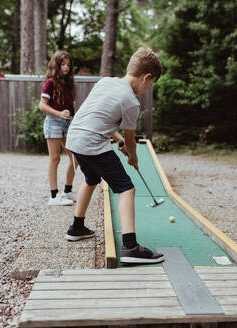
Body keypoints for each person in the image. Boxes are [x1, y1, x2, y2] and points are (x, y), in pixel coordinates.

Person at [65, 47, 164, 264]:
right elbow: (131, 140)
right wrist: (133, 157)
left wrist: (118, 140)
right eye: (150, 84)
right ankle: (130, 248)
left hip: (74, 139)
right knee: (126, 188)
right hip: (91, 142)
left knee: (91, 180)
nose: (148, 88)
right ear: (146, 77)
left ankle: (77, 227)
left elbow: (100, 117)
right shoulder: (131, 101)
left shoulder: (105, 82)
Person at [39, 50, 77, 206]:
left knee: (75, 158)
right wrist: (59, 114)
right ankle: (54, 196)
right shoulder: (50, 82)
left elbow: (69, 106)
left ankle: (67, 191)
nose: (66, 67)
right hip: (54, 122)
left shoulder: (68, 83)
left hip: (68, 123)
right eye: (63, 64)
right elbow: (42, 105)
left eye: (68, 65)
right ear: (56, 64)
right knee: (55, 159)